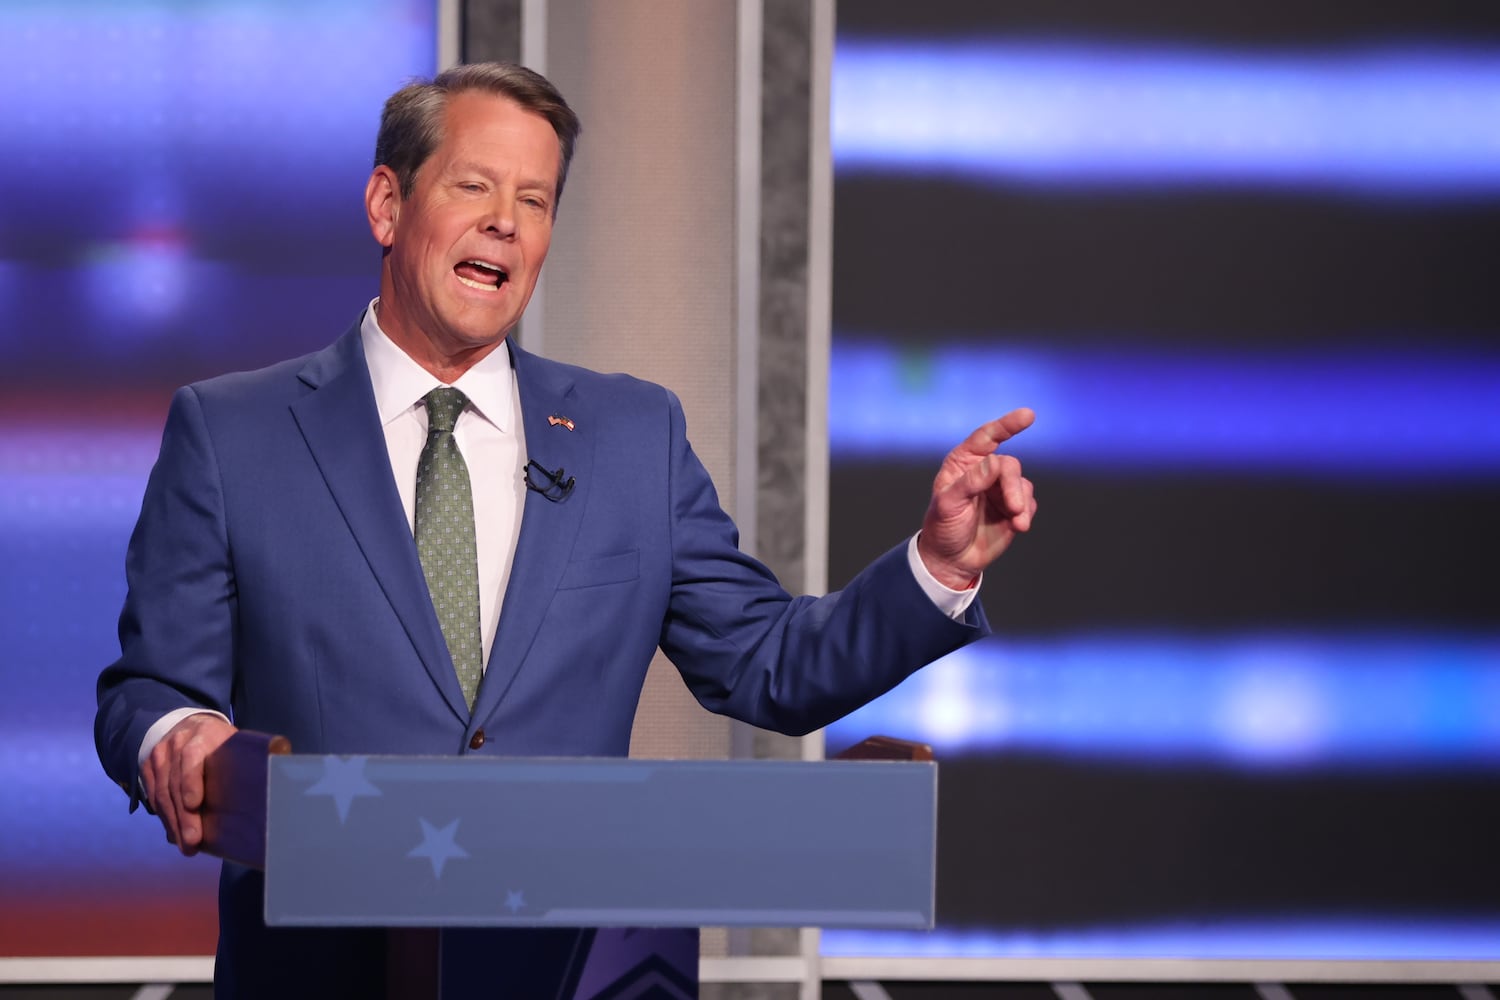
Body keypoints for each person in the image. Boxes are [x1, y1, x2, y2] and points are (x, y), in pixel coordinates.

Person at [94, 62, 1037, 996]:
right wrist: (177, 735)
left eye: (535, 200)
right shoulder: (232, 433)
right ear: (387, 204)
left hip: (575, 974)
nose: (507, 220)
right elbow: (148, 688)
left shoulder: (635, 436)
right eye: (475, 185)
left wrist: (936, 567)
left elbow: (768, 662)